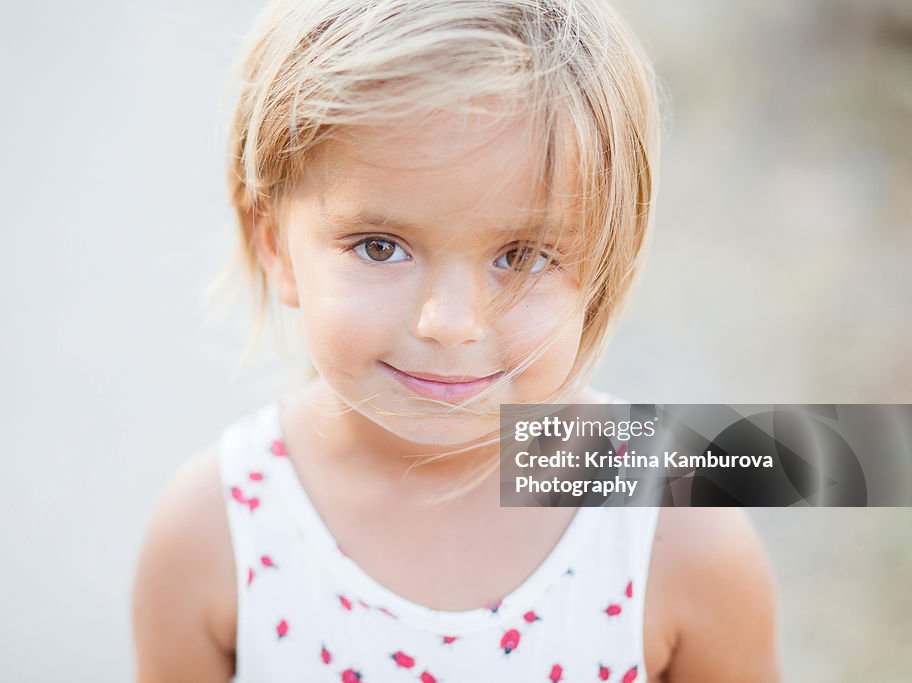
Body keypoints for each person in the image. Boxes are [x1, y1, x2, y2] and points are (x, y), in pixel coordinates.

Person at [132, 0, 780, 680]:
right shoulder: (214, 535)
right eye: (380, 246)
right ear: (277, 248)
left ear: (603, 263)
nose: (449, 321)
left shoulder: (679, 532)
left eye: (523, 255)